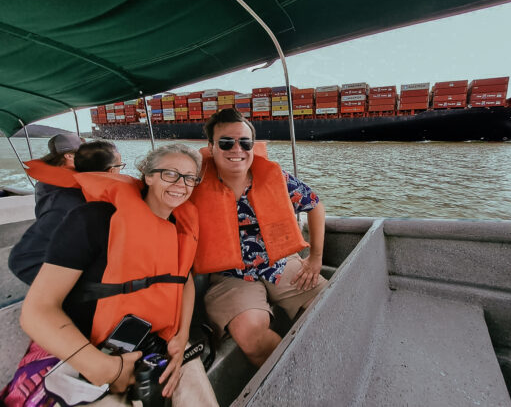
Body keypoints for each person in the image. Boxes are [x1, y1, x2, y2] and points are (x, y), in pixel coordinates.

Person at [2, 144, 218, 406]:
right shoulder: (92, 220)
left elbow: (182, 281)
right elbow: (37, 311)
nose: (180, 184)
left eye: (189, 177)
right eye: (169, 173)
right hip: (85, 348)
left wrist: (181, 336)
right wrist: (105, 367)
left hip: (155, 344)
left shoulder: (181, 227)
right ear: (148, 176)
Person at [190, 108, 328, 367]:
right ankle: (294, 374)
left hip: (281, 263)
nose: (237, 149)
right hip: (230, 276)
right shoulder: (194, 182)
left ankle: (322, 367)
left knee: (329, 308)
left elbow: (314, 204)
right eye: (226, 143)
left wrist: (316, 257)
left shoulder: (275, 177)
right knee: (251, 335)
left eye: (244, 142)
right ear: (211, 146)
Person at [8, 138, 123, 284]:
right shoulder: (68, 200)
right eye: (83, 154)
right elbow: (25, 259)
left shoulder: (53, 183)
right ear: (69, 156)